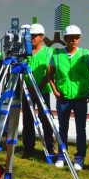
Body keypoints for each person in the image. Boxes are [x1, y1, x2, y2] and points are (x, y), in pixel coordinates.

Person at [48, 25, 89, 170]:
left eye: (77, 37)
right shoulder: (56, 55)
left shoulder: (85, 54)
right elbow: (50, 75)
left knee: (80, 129)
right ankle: (62, 156)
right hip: (63, 98)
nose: (74, 40)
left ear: (80, 38)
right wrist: (55, 91)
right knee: (62, 128)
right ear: (65, 39)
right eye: (71, 37)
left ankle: (79, 158)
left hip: (80, 98)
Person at [21, 24, 56, 157]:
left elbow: (50, 74)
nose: (32, 39)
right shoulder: (25, 52)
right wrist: (28, 88)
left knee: (46, 119)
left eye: (35, 36)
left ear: (41, 37)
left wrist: (38, 89)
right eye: (31, 36)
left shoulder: (49, 52)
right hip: (27, 91)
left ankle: (50, 148)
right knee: (27, 120)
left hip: (43, 92)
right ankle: (28, 148)